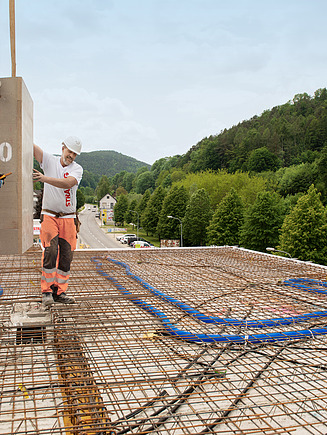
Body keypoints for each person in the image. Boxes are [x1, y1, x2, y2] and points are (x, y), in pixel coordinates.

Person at [33, 136, 83, 307]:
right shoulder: (49, 161)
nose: (71, 156)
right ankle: (46, 291)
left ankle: (59, 292)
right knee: (51, 251)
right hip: (50, 215)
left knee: (66, 256)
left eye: (75, 154)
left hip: (68, 218)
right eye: (70, 152)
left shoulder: (77, 169)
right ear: (63, 147)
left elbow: (67, 184)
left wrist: (43, 179)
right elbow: (32, 147)